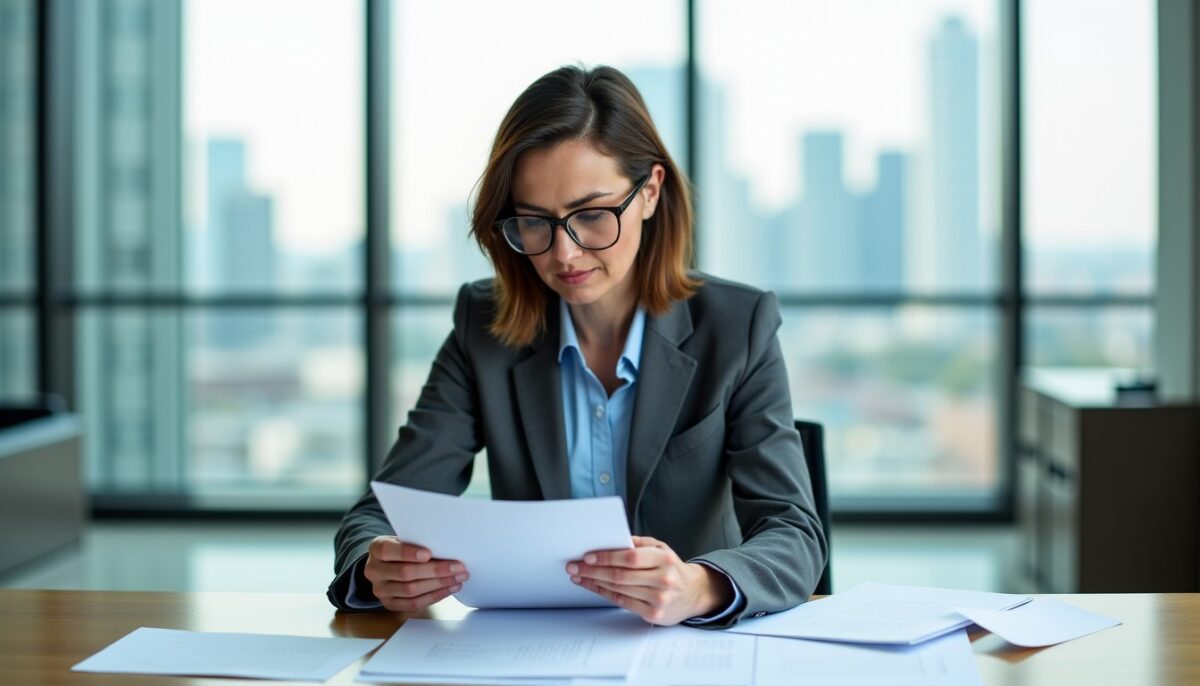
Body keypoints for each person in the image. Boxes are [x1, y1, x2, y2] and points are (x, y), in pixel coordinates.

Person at [327, 65, 826, 628]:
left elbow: (794, 534)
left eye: (591, 216)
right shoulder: (483, 327)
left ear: (650, 192)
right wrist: (377, 566)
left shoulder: (737, 326)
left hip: (686, 653)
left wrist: (699, 585)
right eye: (535, 222)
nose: (564, 254)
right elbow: (378, 513)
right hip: (530, 650)